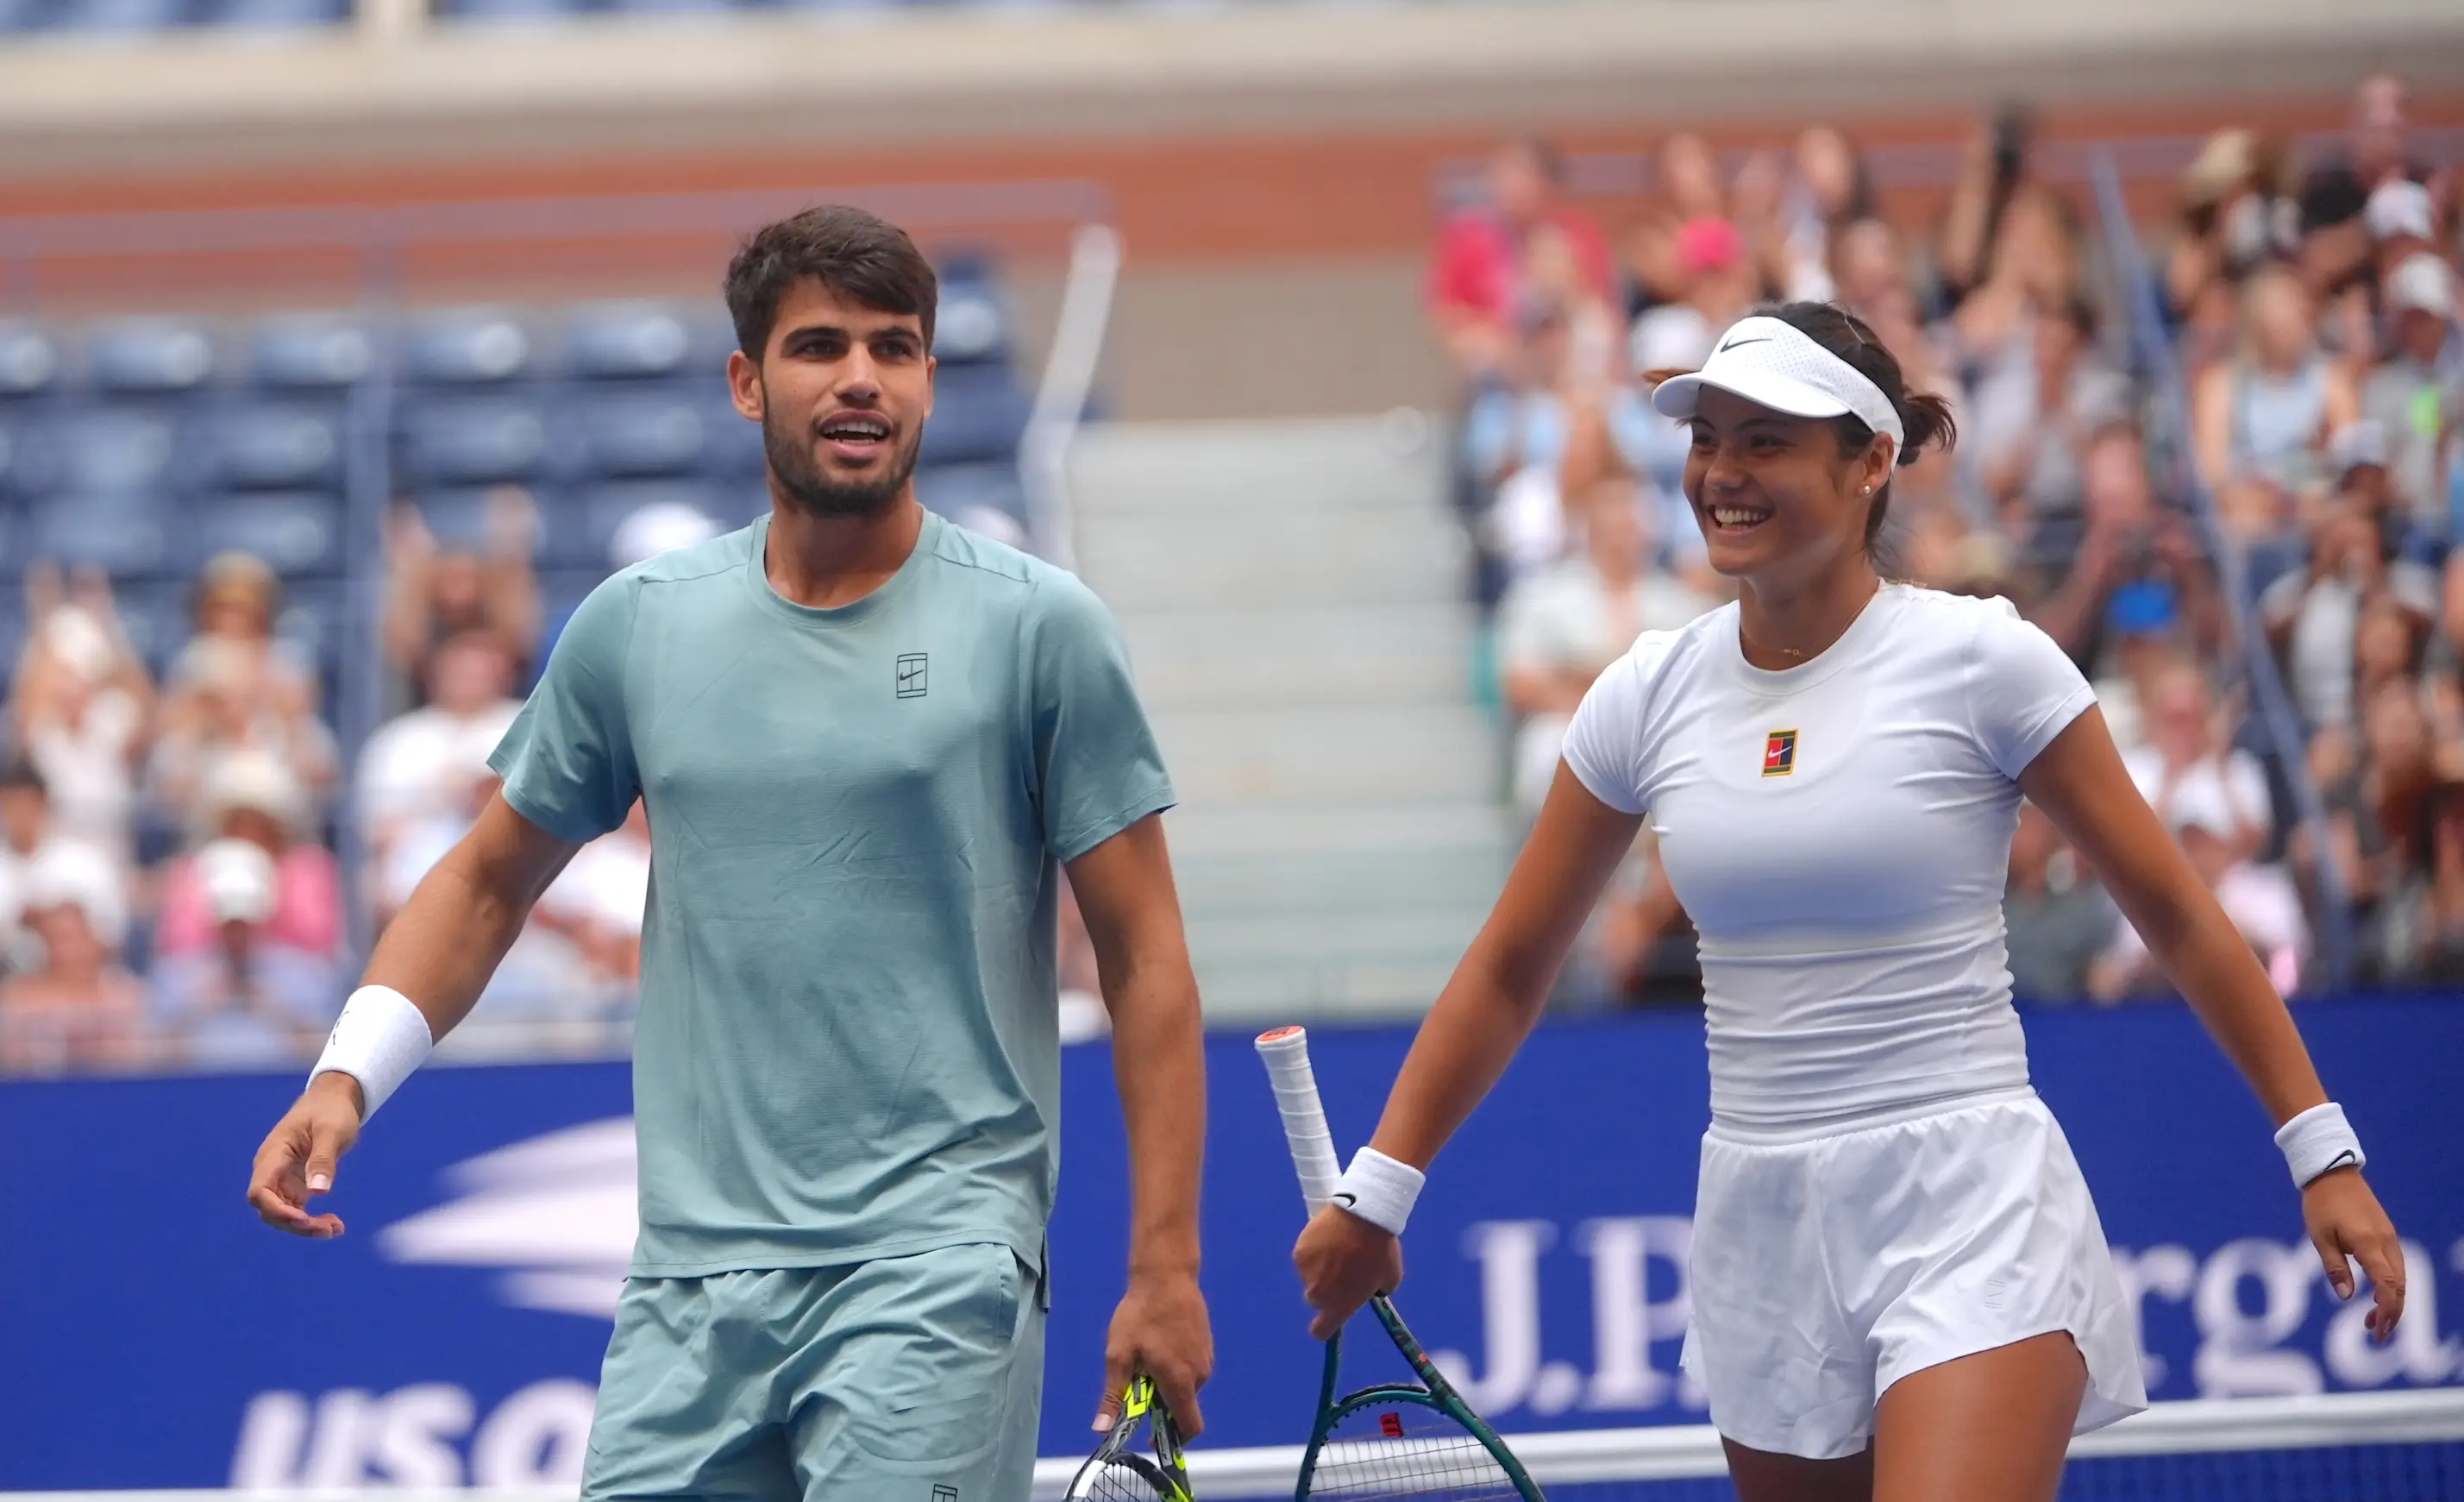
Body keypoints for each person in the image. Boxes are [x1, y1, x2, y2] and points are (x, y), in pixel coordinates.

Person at [1292, 304, 2405, 1502]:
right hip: (1760, 1218)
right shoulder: (1643, 695)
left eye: (1764, 440)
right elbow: (1511, 965)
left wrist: (2319, 1148)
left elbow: (2180, 915)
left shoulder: (1984, 659)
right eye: (1707, 438)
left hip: (1972, 1202)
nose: (1721, 472)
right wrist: (1381, 1183)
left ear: (1870, 461)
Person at [244, 205, 1212, 1502]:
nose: (862, 377)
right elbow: (485, 880)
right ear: (747, 381)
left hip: (937, 1261)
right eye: (819, 346)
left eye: (897, 347)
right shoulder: (639, 628)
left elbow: (1148, 959)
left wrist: (1164, 1269)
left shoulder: (1043, 629)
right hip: (686, 1283)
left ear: (927, 378)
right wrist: (346, 1071)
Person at [1426, 140, 1616, 383]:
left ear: (1546, 183)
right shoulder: (1469, 239)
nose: (1509, 187)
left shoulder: (1576, 237)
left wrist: (1568, 284)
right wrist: (1499, 339)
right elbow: (1446, 312)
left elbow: (1601, 311)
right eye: (1501, 176)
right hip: (1498, 361)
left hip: (1565, 359)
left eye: (1520, 176)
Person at [149, 838, 339, 1069]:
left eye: (245, 923)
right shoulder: (176, 977)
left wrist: (278, 1010)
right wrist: (196, 1008)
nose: (237, 934)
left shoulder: (303, 975)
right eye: (230, 923)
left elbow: (329, 1052)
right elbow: (150, 1057)